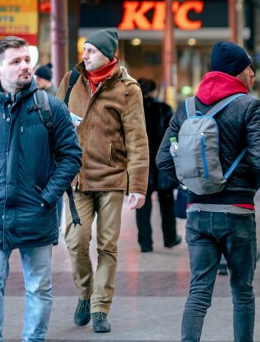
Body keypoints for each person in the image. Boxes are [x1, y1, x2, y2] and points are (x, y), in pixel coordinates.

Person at [0, 36, 82, 342]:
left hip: (37, 213)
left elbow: (71, 156)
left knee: (39, 286)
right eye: (16, 61)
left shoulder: (51, 109)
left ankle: (34, 339)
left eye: (27, 59)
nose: (26, 66)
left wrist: (47, 196)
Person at [157, 41, 260, 342]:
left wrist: (192, 185)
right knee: (242, 291)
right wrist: (246, 189)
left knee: (198, 292)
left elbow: (163, 159)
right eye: (249, 67)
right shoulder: (249, 105)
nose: (252, 73)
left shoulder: (186, 108)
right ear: (236, 70)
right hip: (237, 212)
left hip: (197, 212)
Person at [56, 28, 149, 333]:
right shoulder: (71, 81)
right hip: (76, 178)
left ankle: (100, 307)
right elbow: (54, 123)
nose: (85, 55)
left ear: (108, 55)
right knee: (75, 242)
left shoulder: (127, 89)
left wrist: (137, 185)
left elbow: (137, 139)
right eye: (84, 50)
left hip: (110, 179)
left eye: (92, 51)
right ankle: (85, 293)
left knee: (107, 246)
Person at [135, 78, 181, 253]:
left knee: (142, 205)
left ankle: (145, 243)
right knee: (167, 202)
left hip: (141, 166)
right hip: (163, 165)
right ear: (154, 91)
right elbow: (173, 137)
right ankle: (170, 238)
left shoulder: (134, 111)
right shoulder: (164, 109)